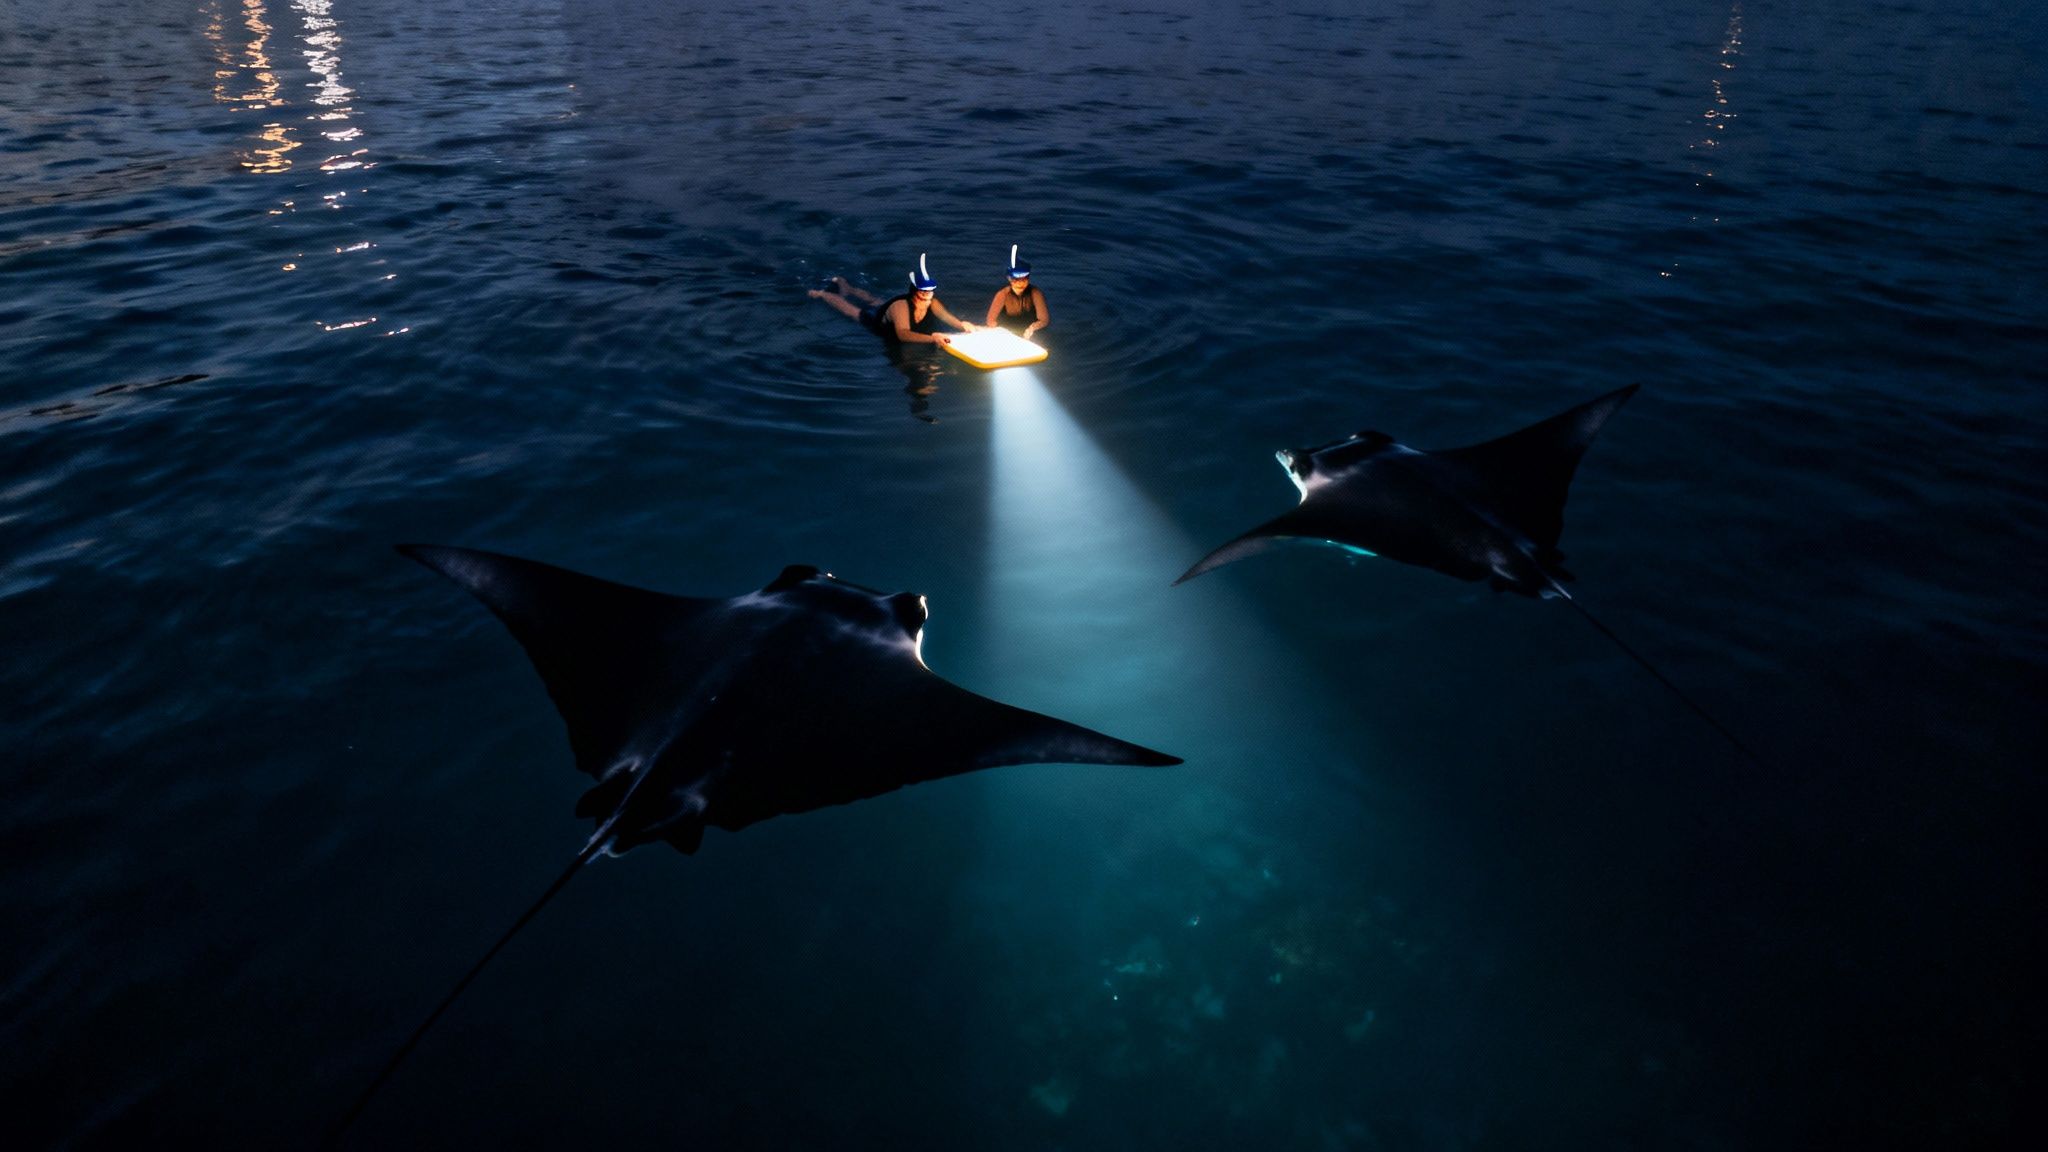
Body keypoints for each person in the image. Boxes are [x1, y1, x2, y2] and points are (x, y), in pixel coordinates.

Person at [810, 254, 976, 348]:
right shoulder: (902, 306)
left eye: (930, 291)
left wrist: (962, 326)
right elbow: (903, 334)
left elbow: (946, 317)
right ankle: (823, 294)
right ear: (915, 290)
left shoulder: (932, 302)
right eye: (923, 291)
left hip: (887, 310)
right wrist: (933, 338)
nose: (928, 294)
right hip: (879, 322)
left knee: (875, 301)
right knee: (854, 312)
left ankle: (846, 286)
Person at [985, 244, 1049, 338]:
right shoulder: (1003, 294)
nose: (1021, 283)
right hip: (1006, 334)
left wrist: (1033, 328)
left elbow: (1044, 319)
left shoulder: (1035, 293)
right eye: (1016, 280)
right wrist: (999, 331)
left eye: (1024, 279)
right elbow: (990, 320)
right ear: (1009, 279)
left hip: (1029, 334)